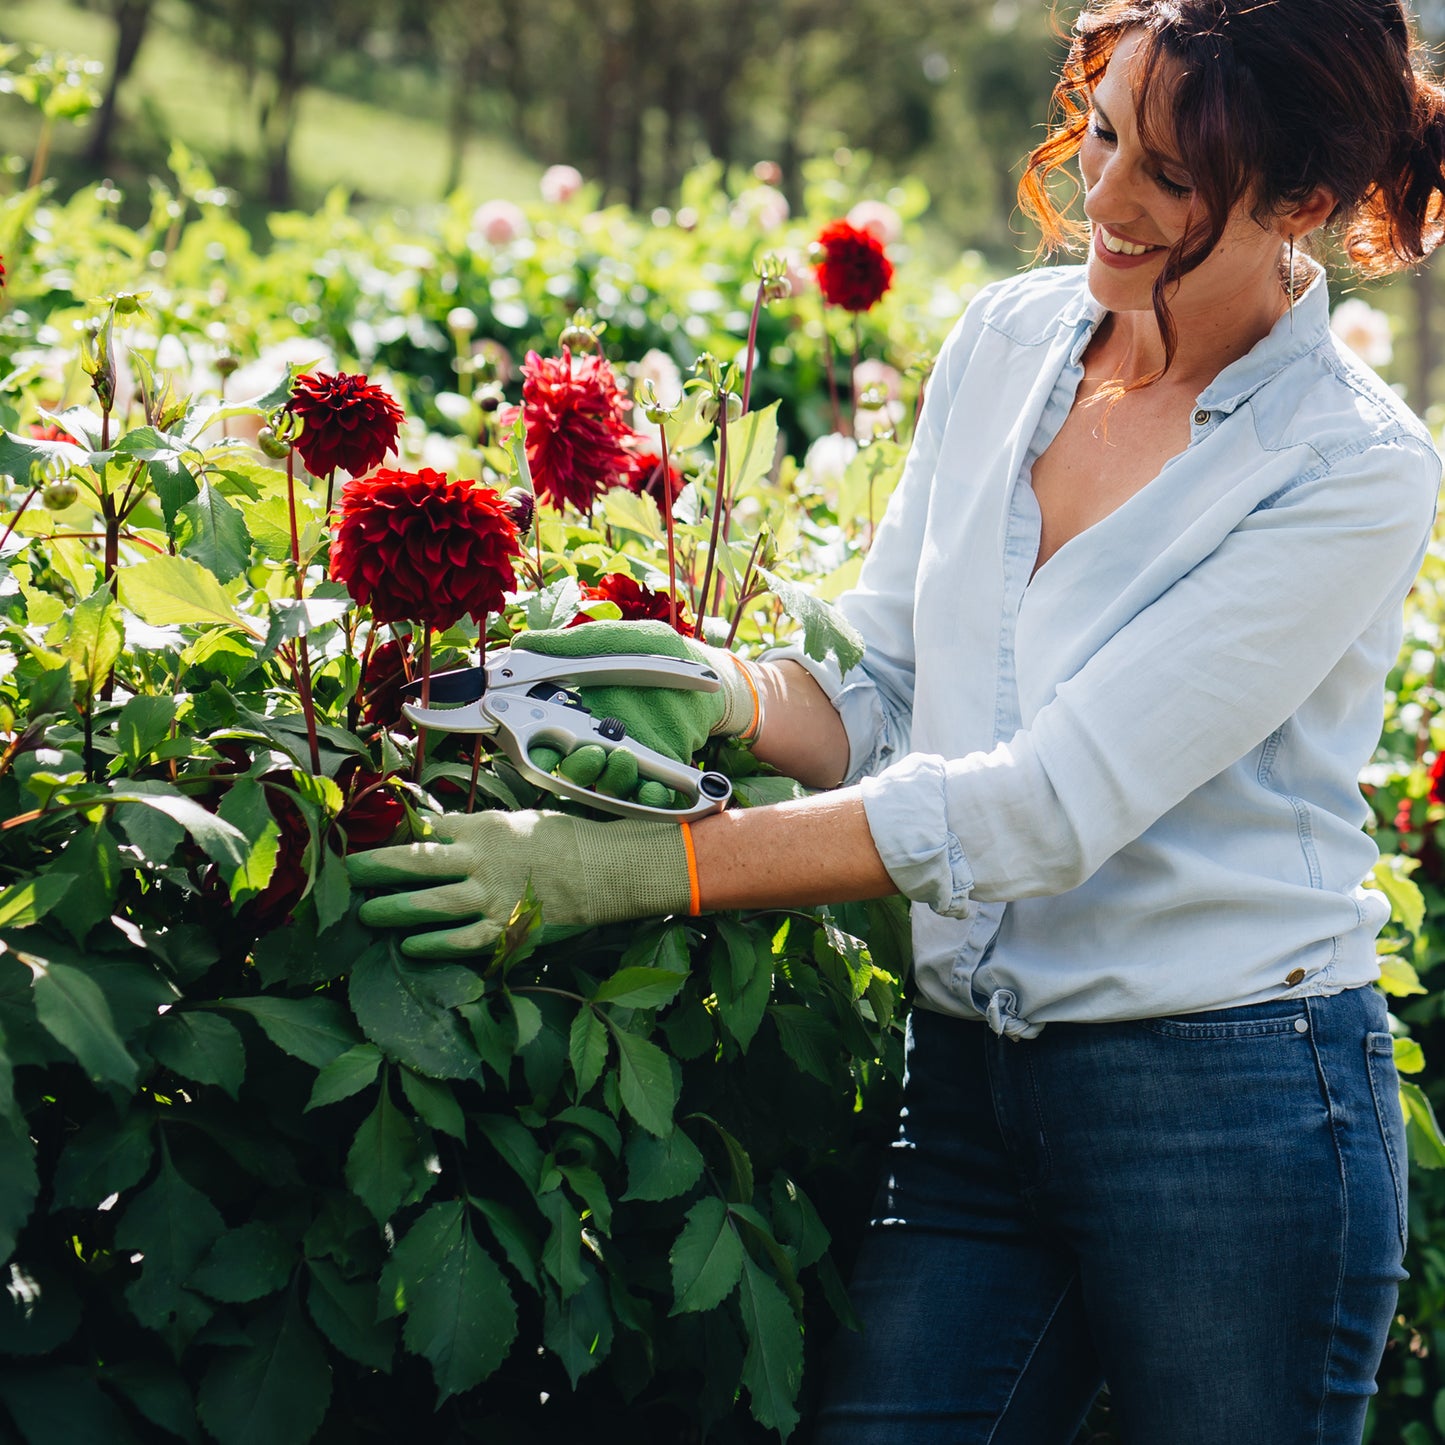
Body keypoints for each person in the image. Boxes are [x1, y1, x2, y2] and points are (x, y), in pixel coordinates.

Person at [347, 1, 1445, 1438]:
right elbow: (891, 697)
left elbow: (1046, 803)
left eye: (1169, 178)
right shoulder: (1006, 344)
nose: (1101, 200)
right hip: (975, 1078)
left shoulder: (1346, 465)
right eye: (1102, 133)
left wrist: (629, 869)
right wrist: (724, 690)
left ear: (1300, 198)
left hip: (1232, 1114)